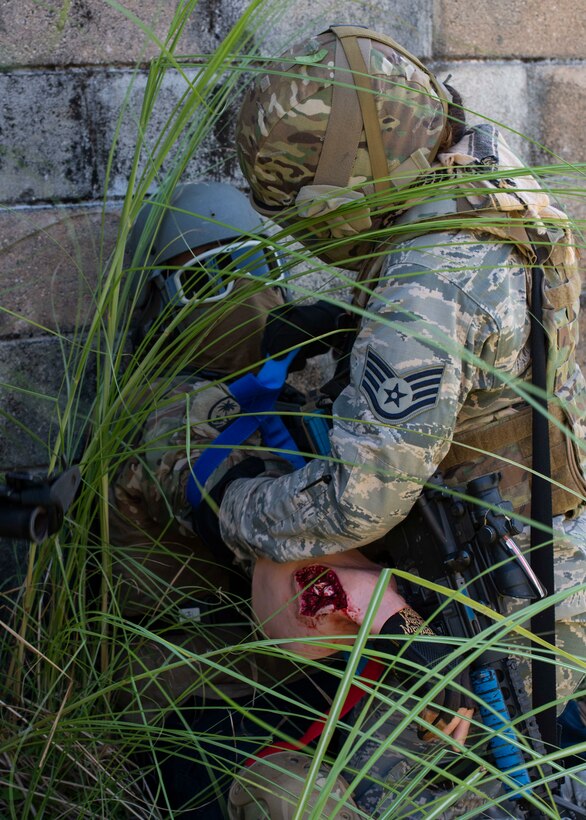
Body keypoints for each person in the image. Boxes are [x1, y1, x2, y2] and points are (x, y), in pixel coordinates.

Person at [190, 24, 586, 774]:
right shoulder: (491, 179)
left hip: (491, 615)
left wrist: (237, 510)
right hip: (548, 549)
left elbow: (356, 502)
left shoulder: (423, 281)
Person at [113, 179, 480, 818]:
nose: (251, 292)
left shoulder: (282, 382)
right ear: (160, 305)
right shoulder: (162, 412)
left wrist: (359, 349)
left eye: (262, 264)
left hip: (315, 677)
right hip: (208, 704)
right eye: (210, 280)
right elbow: (231, 507)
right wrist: (407, 637)